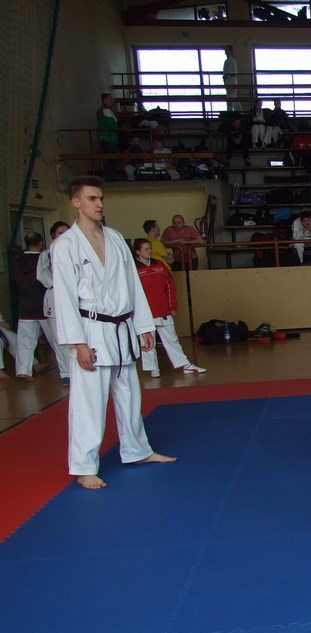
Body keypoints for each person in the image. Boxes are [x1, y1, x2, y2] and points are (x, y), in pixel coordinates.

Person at [51, 176, 176, 489]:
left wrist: (144, 326)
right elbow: (64, 297)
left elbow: (132, 283)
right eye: (92, 199)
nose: (99, 204)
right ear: (76, 202)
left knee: (130, 394)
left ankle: (137, 450)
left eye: (101, 198)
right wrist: (78, 343)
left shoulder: (116, 238)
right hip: (91, 329)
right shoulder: (65, 245)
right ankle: (84, 466)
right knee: (89, 403)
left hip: (122, 327)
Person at [133, 238, 206, 378]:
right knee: (147, 342)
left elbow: (170, 286)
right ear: (138, 252)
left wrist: (172, 305)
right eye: (146, 249)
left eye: (150, 248)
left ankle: (185, 365)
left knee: (172, 340)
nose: (150, 251)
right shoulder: (133, 269)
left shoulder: (160, 265)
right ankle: (153, 368)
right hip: (145, 313)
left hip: (163, 309)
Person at [14, 234, 64, 381]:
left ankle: (23, 370)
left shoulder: (17, 261)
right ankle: (67, 369)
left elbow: (13, 283)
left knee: (25, 340)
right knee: (56, 339)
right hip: (44, 304)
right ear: (41, 243)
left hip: (25, 304)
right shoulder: (45, 258)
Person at [36, 221, 72, 383]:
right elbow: (42, 277)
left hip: (74, 297)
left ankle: (81, 370)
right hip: (54, 297)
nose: (64, 235)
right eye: (60, 233)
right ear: (53, 235)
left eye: (67, 232)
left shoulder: (77, 250)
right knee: (59, 339)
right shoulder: (46, 255)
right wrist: (56, 277)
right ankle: (66, 373)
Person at [96, 93, 120, 181]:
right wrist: (117, 129)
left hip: (106, 137)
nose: (112, 101)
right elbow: (112, 124)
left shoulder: (102, 110)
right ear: (104, 100)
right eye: (110, 99)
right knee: (114, 157)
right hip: (109, 138)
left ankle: (111, 178)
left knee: (110, 158)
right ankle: (111, 178)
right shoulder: (106, 110)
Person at [223, 45, 241, 112]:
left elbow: (235, 72)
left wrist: (227, 76)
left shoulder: (232, 60)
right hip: (229, 80)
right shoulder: (227, 61)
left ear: (231, 51)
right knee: (234, 98)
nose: (226, 51)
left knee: (230, 98)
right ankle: (239, 112)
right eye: (225, 50)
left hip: (231, 80)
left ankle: (230, 112)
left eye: (227, 50)